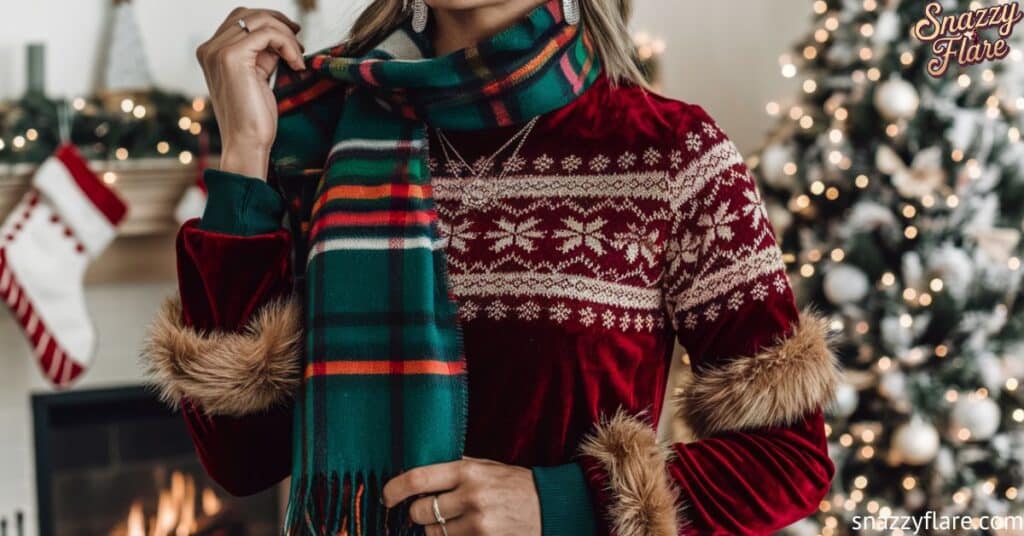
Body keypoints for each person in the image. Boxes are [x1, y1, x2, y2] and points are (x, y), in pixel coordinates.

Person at [144, 0, 842, 534]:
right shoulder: (316, 137)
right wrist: (242, 150)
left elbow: (788, 460)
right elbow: (244, 457)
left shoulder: (668, 151)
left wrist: (555, 504)